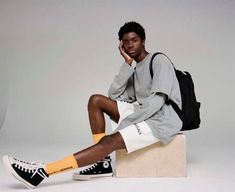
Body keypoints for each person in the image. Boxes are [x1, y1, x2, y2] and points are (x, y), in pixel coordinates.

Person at [2, 21, 182, 189]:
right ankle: (102, 163)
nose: (130, 45)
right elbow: (114, 95)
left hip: (162, 119)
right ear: (121, 45)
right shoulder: (135, 70)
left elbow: (157, 102)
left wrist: (126, 125)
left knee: (109, 141)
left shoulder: (159, 61)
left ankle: (42, 172)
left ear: (143, 41)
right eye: (125, 42)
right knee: (96, 100)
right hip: (145, 112)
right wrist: (127, 64)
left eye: (134, 40)